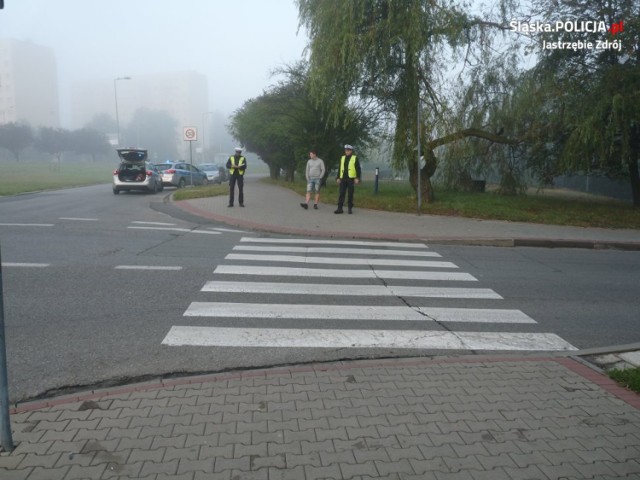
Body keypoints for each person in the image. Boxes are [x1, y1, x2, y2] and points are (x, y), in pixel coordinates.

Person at [334, 144, 361, 214]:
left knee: (350, 194)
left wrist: (357, 178)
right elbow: (340, 168)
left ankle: (350, 208)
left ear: (351, 151)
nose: (347, 152)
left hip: (351, 179)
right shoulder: (342, 158)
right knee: (341, 193)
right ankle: (339, 208)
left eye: (348, 150)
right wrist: (338, 178)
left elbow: (358, 169)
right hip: (343, 178)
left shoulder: (355, 158)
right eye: (346, 150)